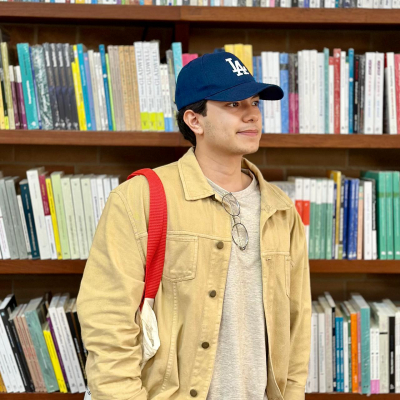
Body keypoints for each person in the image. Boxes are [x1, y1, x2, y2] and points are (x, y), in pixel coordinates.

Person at [76, 51, 311, 400]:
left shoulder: (280, 210)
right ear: (194, 120)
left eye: (255, 102)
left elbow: (297, 326)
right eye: (233, 104)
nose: (251, 114)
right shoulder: (138, 199)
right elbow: (108, 327)